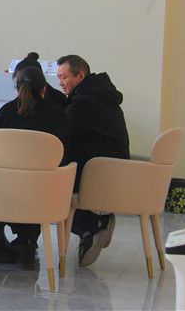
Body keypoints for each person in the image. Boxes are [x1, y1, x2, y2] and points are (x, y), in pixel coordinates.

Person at [0, 66, 69, 265]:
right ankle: (28, 240)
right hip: (43, 194)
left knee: (13, 180)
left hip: (4, 193)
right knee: (35, 182)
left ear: (17, 88)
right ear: (44, 89)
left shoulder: (5, 113)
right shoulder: (58, 116)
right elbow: (64, 155)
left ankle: (1, 230)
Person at [57, 54, 130, 267]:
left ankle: (91, 226)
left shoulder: (84, 101)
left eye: (64, 77)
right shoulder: (100, 94)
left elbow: (62, 131)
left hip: (98, 172)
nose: (60, 82)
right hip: (112, 170)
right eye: (58, 77)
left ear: (80, 75)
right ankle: (95, 224)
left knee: (50, 189)